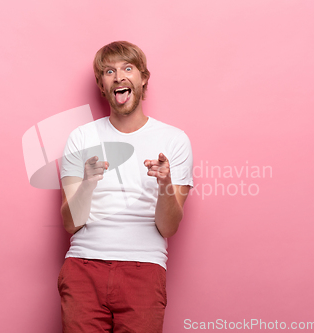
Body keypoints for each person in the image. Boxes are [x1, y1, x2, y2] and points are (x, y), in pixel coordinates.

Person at [58, 41, 193, 332]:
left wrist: (165, 184)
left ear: (143, 78)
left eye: (128, 68)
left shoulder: (174, 140)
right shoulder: (80, 138)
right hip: (84, 267)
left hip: (144, 270)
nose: (119, 76)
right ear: (101, 84)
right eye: (109, 71)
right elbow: (70, 223)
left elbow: (168, 228)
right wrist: (88, 184)